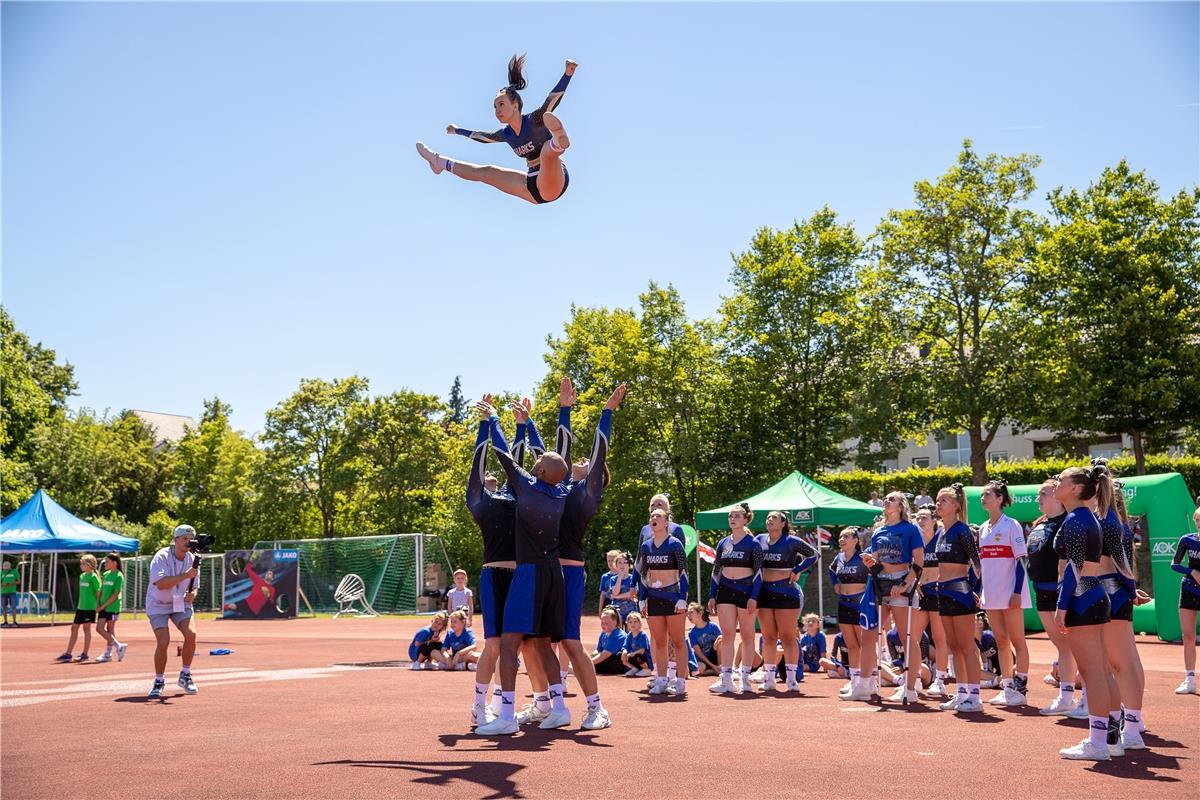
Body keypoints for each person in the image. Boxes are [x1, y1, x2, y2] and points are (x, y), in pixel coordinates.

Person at [474, 397, 574, 737]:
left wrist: (497, 421)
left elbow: (504, 457)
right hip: (554, 574)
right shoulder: (559, 489)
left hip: (529, 573)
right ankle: (559, 708)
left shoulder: (529, 488)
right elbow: (550, 459)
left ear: (542, 473)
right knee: (544, 643)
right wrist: (528, 425)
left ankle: (506, 715)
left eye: (538, 464)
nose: (533, 464)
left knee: (508, 643)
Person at [553, 381, 625, 728]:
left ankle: (597, 707)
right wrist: (563, 408)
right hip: (545, 570)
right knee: (539, 642)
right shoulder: (562, 486)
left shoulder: (588, 493)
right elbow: (558, 453)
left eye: (587, 463)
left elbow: (598, 452)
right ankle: (551, 704)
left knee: (570, 641)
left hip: (568, 572)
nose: (580, 462)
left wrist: (606, 413)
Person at [416, 55, 577, 205]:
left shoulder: (534, 120)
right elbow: (481, 137)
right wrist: (457, 130)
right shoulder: (506, 134)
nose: (497, 110)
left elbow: (552, 99)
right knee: (485, 172)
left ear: (515, 106)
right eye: (494, 107)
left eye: (501, 104)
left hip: (554, 182)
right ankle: (438, 162)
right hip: (531, 186)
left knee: (546, 153)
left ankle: (558, 140)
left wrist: (567, 74)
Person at [465, 397, 524, 726]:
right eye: (485, 476)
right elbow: (479, 461)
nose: (490, 476)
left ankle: (504, 705)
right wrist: (485, 425)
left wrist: (517, 427)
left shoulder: (516, 496)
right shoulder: (479, 502)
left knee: (511, 647)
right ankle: (478, 704)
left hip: (518, 577)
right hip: (493, 576)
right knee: (492, 644)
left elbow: (511, 461)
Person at [1053, 465, 1118, 761]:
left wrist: (1061, 606)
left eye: (1062, 479)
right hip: (1092, 596)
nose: (1057, 482)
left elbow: (1074, 570)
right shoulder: (1080, 518)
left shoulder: (1077, 520)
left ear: (1076, 488)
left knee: (1093, 673)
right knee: (1101, 671)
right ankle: (1111, 737)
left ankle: (1099, 743)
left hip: (1083, 598)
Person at [860, 492, 924, 705]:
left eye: (892, 499)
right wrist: (869, 560)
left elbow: (918, 562)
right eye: (886, 499)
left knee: (907, 637)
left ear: (901, 506)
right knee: (870, 633)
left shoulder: (911, 529)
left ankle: (910, 687)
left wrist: (905, 585)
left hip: (901, 582)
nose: (887, 501)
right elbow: (876, 559)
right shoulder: (879, 532)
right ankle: (865, 683)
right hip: (881, 584)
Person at [1100, 477, 1149, 749]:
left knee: (1120, 663)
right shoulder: (1115, 522)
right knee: (1124, 661)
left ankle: (1130, 727)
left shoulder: (1108, 522)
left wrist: (1130, 591)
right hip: (1113, 593)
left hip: (1111, 595)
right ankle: (1131, 723)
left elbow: (1120, 564)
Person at [977, 479, 1032, 707]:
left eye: (987, 494)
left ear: (999, 498)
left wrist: (1017, 592)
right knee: (1001, 640)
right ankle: (1007, 685)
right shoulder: (982, 528)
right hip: (991, 594)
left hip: (1011, 593)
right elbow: (984, 566)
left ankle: (1021, 685)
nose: (983, 498)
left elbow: (1021, 561)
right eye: (982, 494)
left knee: (1018, 639)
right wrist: (981, 591)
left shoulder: (1012, 525)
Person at [934, 484, 984, 713]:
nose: (938, 504)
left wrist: (976, 591)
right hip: (942, 591)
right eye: (937, 500)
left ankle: (975, 696)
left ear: (956, 505)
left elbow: (977, 563)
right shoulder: (941, 531)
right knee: (953, 645)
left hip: (960, 591)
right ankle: (962, 692)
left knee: (966, 645)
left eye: (943, 500)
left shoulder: (963, 530)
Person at [1026, 480, 1074, 715]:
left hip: (1060, 594)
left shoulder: (1066, 523)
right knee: (1060, 644)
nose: (1038, 498)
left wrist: (1064, 593)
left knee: (1070, 646)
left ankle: (1073, 697)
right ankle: (1067, 697)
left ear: (1057, 496)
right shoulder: (1040, 524)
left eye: (1043, 493)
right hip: (1041, 591)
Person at [756, 511, 818, 691]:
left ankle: (792, 679)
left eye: (774, 518)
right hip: (764, 593)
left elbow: (814, 554)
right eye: (768, 518)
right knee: (768, 637)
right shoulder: (759, 539)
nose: (770, 520)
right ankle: (769, 678)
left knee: (788, 637)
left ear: (783, 523)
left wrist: (797, 569)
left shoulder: (791, 541)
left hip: (786, 592)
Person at [707, 502, 764, 695]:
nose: (732, 519)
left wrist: (754, 597)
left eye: (737, 516)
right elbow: (716, 570)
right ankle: (726, 678)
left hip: (747, 593)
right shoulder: (723, 543)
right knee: (728, 635)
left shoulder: (753, 543)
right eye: (731, 516)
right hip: (725, 592)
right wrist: (711, 595)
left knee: (748, 635)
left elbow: (759, 573)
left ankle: (746, 677)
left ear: (746, 519)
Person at [637, 508, 690, 696]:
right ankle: (661, 679)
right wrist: (642, 599)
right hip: (654, 598)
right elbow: (644, 575)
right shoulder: (646, 546)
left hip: (674, 598)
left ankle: (681, 681)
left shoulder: (675, 544)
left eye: (658, 516)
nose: (654, 518)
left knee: (678, 640)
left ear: (666, 522)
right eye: (652, 516)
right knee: (659, 641)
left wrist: (683, 599)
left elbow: (684, 572)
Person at [146, 525, 203, 698]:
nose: (188, 541)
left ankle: (185, 675)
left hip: (180, 603)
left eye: (191, 538)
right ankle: (159, 680)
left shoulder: (193, 558)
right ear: (176, 539)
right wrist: (186, 575)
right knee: (163, 641)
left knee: (191, 635)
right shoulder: (161, 557)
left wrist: (192, 594)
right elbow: (161, 584)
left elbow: (196, 586)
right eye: (184, 538)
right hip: (159, 604)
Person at [912, 503, 949, 695]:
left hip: (937, 590)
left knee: (939, 637)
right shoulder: (915, 539)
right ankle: (915, 678)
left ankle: (940, 680)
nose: (921, 520)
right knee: (913, 637)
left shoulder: (941, 536)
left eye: (925, 517)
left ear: (934, 520)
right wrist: (914, 583)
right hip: (920, 592)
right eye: (918, 517)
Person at [831, 527, 871, 699]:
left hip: (859, 604)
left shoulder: (862, 558)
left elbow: (875, 573)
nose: (842, 539)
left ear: (856, 541)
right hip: (844, 604)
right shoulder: (839, 557)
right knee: (851, 646)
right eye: (840, 537)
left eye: (846, 536)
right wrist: (835, 583)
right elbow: (831, 570)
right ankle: (854, 682)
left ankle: (867, 682)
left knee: (864, 645)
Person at [1172, 507, 1200, 694]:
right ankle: (1189, 679)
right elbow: (1174, 564)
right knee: (1188, 635)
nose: (1199, 524)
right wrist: (1192, 571)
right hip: (1189, 589)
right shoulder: (1187, 539)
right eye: (1197, 520)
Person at [56, 554, 101, 663]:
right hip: (81, 607)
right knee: (74, 628)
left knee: (86, 629)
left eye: (83, 563)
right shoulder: (82, 576)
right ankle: (68, 653)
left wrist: (97, 605)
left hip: (89, 607)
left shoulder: (93, 577)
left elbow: (98, 591)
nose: (81, 565)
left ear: (89, 565)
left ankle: (85, 654)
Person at [94, 553, 128, 663]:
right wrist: (98, 603)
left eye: (107, 561)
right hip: (103, 606)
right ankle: (119, 647)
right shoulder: (106, 574)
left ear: (115, 563)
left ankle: (108, 654)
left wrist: (103, 606)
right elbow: (102, 590)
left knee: (110, 629)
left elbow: (115, 594)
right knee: (99, 628)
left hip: (113, 606)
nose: (105, 563)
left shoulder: (119, 575)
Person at [687, 603, 721, 677]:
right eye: (687, 614)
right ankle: (715, 670)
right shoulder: (691, 633)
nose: (688, 616)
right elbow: (698, 652)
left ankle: (721, 667)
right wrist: (713, 667)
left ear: (700, 613)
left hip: (716, 656)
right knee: (698, 670)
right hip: (703, 659)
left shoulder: (713, 626)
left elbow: (723, 643)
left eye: (691, 612)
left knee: (720, 639)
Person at [592, 607, 628, 675]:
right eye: (602, 623)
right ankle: (573, 668)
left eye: (606, 623)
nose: (603, 625)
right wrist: (589, 658)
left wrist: (588, 663)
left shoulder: (618, 635)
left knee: (590, 667)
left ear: (614, 622)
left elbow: (605, 655)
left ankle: (574, 669)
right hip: (608, 659)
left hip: (620, 664)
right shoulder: (603, 633)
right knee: (593, 658)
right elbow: (598, 651)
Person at [620, 611, 653, 676]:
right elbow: (625, 646)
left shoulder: (642, 635)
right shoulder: (629, 635)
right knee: (620, 655)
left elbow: (642, 651)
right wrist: (624, 651)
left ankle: (646, 670)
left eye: (635, 622)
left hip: (644, 658)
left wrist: (632, 654)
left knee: (638, 656)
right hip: (633, 656)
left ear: (640, 624)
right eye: (630, 622)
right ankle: (634, 668)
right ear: (628, 624)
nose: (633, 624)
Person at [975, 613, 1002, 688]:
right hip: (996, 672)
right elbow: (983, 653)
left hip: (1006, 669)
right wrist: (987, 669)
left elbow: (1004, 650)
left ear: (980, 624)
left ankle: (994, 683)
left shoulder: (989, 636)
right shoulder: (975, 639)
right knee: (972, 672)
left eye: (972, 620)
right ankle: (995, 682)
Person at [609, 553, 638, 623]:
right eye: (620, 563)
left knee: (631, 629)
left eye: (625, 563)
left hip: (631, 610)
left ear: (629, 565)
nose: (622, 565)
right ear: (616, 565)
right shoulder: (613, 579)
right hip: (617, 610)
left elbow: (632, 594)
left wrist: (616, 597)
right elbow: (615, 592)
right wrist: (620, 577)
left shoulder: (633, 578)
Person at [598, 550, 621, 617]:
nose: (611, 563)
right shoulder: (604, 577)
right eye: (609, 561)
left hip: (620, 602)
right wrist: (600, 610)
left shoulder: (622, 575)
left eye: (613, 560)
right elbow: (602, 594)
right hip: (608, 603)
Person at [1, 559, 20, 627]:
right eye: (4, 567)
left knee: (13, 607)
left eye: (7, 567)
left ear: (9, 567)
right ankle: (5, 622)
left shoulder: (14, 571)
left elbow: (18, 581)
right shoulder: (1, 572)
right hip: (3, 592)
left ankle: (14, 622)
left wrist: (11, 583)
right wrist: (3, 584)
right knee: (4, 607)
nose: (5, 569)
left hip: (12, 592)